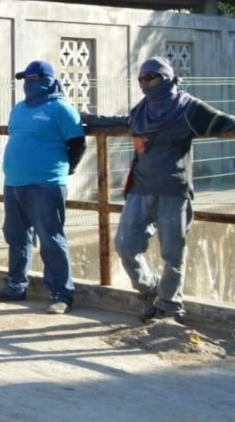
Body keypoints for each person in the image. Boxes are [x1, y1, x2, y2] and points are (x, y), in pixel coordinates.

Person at [84, 56, 235, 323]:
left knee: (173, 254)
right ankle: (151, 288)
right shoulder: (142, 110)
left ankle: (169, 306)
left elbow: (225, 122)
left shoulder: (189, 108)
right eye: (142, 78)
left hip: (173, 191)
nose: (145, 83)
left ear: (167, 78)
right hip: (141, 190)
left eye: (152, 77)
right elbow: (121, 122)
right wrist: (86, 118)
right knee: (125, 246)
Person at [0, 60, 86, 314]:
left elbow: (77, 144)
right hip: (14, 182)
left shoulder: (61, 109)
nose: (28, 84)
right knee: (16, 237)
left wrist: (65, 169)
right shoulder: (19, 109)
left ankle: (61, 294)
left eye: (33, 79)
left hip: (46, 183)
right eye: (25, 79)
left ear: (48, 80)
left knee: (50, 238)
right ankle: (15, 286)